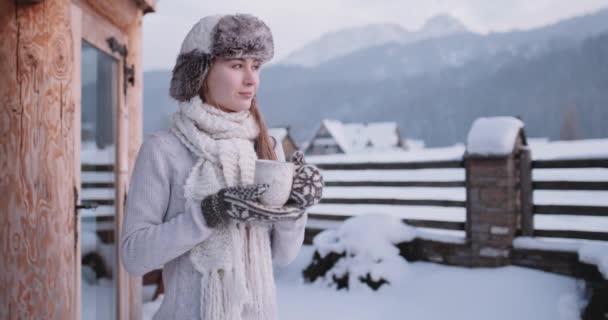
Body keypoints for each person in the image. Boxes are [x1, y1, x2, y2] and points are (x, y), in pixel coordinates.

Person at [119, 13, 323, 320]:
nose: (251, 79)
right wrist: (208, 213)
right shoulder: (164, 150)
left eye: (256, 66)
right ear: (201, 72)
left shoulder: (267, 148)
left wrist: (296, 207)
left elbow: (282, 256)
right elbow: (134, 256)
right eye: (237, 65)